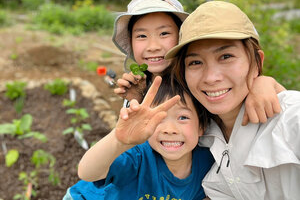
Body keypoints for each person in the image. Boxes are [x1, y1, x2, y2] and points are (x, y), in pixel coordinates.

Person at [165, 0, 300, 199]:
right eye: (195, 62)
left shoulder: (291, 118)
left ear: (256, 62)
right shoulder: (197, 132)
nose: (211, 77)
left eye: (226, 56)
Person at [112, 0, 285, 125]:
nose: (153, 46)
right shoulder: (139, 86)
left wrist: (264, 83)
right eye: (141, 36)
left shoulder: (197, 82)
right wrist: (138, 99)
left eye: (164, 33)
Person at [63, 71, 215, 200]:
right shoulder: (137, 157)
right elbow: (87, 173)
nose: (169, 129)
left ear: (202, 126)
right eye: (159, 118)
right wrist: (118, 140)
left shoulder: (208, 163)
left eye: (183, 118)